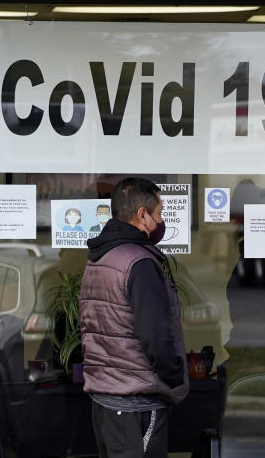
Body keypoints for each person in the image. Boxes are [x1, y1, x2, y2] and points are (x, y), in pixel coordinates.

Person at [80, 177, 188, 458]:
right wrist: (175, 374)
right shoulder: (139, 262)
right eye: (160, 213)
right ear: (143, 215)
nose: (161, 220)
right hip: (136, 404)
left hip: (105, 400)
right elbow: (153, 334)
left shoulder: (98, 258)